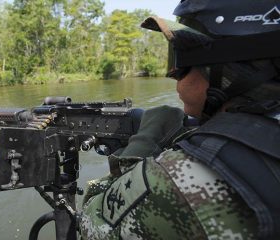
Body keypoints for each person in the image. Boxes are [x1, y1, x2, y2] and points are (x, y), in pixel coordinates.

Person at [80, 0, 280, 239]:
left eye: (182, 58)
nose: (174, 74)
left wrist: (142, 144)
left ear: (225, 64)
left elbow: (94, 225)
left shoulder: (186, 177)